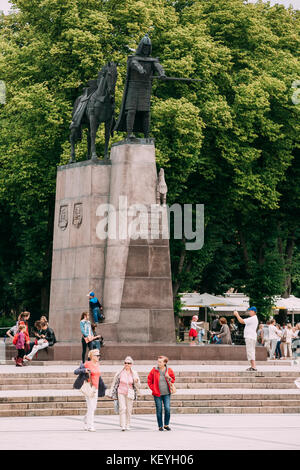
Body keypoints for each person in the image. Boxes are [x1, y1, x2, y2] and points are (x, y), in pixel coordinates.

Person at [107, 356, 141, 431]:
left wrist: (137, 381)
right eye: (125, 363)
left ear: (131, 364)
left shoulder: (134, 373)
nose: (127, 364)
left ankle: (128, 424)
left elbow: (139, 385)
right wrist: (111, 392)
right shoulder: (120, 372)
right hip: (121, 392)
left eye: (129, 363)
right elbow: (115, 383)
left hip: (130, 393)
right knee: (122, 408)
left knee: (129, 409)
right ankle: (123, 425)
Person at [147, 356, 175, 431]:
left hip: (167, 393)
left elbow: (173, 380)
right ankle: (160, 426)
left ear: (165, 363)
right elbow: (149, 380)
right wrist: (153, 388)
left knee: (167, 408)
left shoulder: (169, 370)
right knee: (159, 409)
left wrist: (169, 377)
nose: (158, 363)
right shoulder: (154, 370)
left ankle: (166, 424)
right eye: (158, 361)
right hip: (157, 394)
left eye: (160, 362)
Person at [80, 349, 101, 431]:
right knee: (91, 407)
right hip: (89, 387)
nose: (99, 357)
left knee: (93, 407)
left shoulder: (97, 364)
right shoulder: (87, 364)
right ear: (92, 356)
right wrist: (84, 370)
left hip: (96, 388)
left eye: (99, 355)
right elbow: (77, 371)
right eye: (97, 355)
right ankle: (90, 426)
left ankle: (86, 419)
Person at [234, 307, 258, 371]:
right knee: (251, 351)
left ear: (253, 311)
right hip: (251, 337)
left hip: (250, 337)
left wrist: (237, 315)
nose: (249, 312)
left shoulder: (253, 318)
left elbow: (241, 321)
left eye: (250, 311)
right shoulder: (254, 318)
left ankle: (253, 366)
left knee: (250, 351)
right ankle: (253, 366)